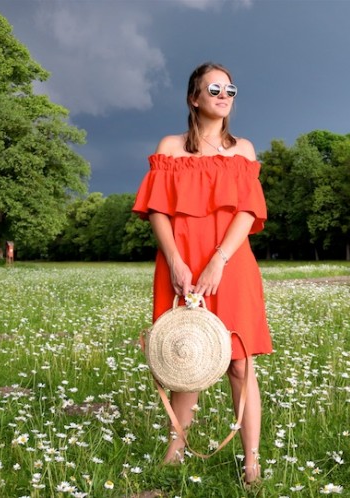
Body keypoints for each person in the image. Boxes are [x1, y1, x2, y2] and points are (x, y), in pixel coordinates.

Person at [133, 62, 273, 486]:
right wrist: (176, 261)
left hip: (229, 263)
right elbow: (158, 210)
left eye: (230, 88)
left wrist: (219, 261)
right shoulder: (171, 147)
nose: (224, 94)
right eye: (214, 88)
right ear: (194, 97)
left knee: (239, 362)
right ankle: (177, 448)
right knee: (185, 355)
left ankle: (251, 460)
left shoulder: (243, 150)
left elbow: (248, 212)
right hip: (181, 261)